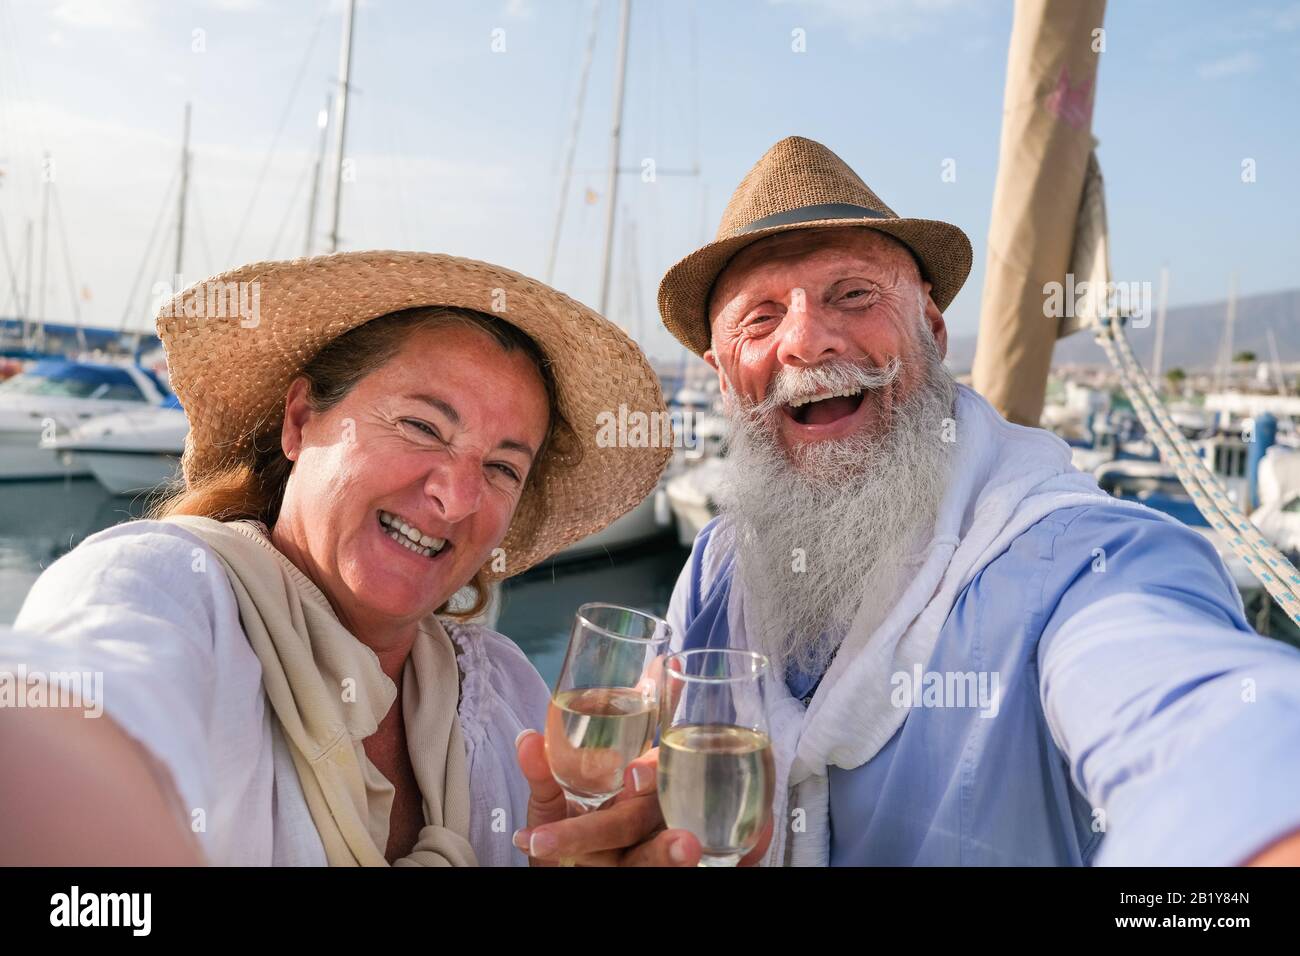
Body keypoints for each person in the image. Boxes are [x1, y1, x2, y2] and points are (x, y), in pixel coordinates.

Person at [512, 136, 1300, 866]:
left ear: (930, 326)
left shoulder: (1076, 563)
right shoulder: (717, 568)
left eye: (852, 294)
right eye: (761, 317)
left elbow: (1207, 727)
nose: (806, 341)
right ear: (723, 377)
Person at [0, 251, 670, 866]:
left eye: (501, 468)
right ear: (300, 421)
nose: (457, 497)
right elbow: (51, 720)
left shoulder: (503, 689)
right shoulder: (168, 590)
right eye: (422, 427)